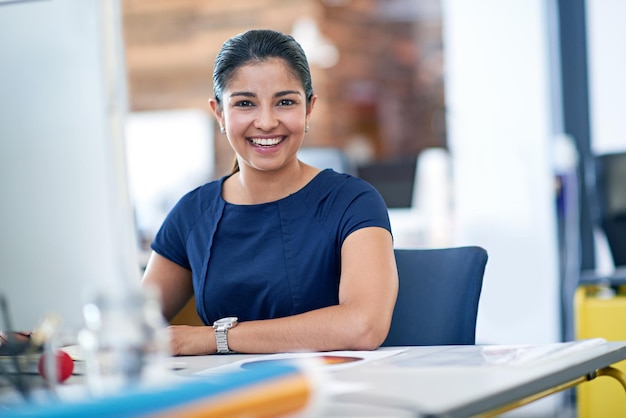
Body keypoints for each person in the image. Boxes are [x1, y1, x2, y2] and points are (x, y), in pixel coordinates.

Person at [141, 29, 398, 356]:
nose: (266, 121)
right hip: (226, 398)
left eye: (285, 102)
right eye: (245, 103)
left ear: (308, 109)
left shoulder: (353, 201)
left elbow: (364, 325)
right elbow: (133, 327)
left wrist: (214, 338)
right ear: (219, 112)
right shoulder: (193, 212)